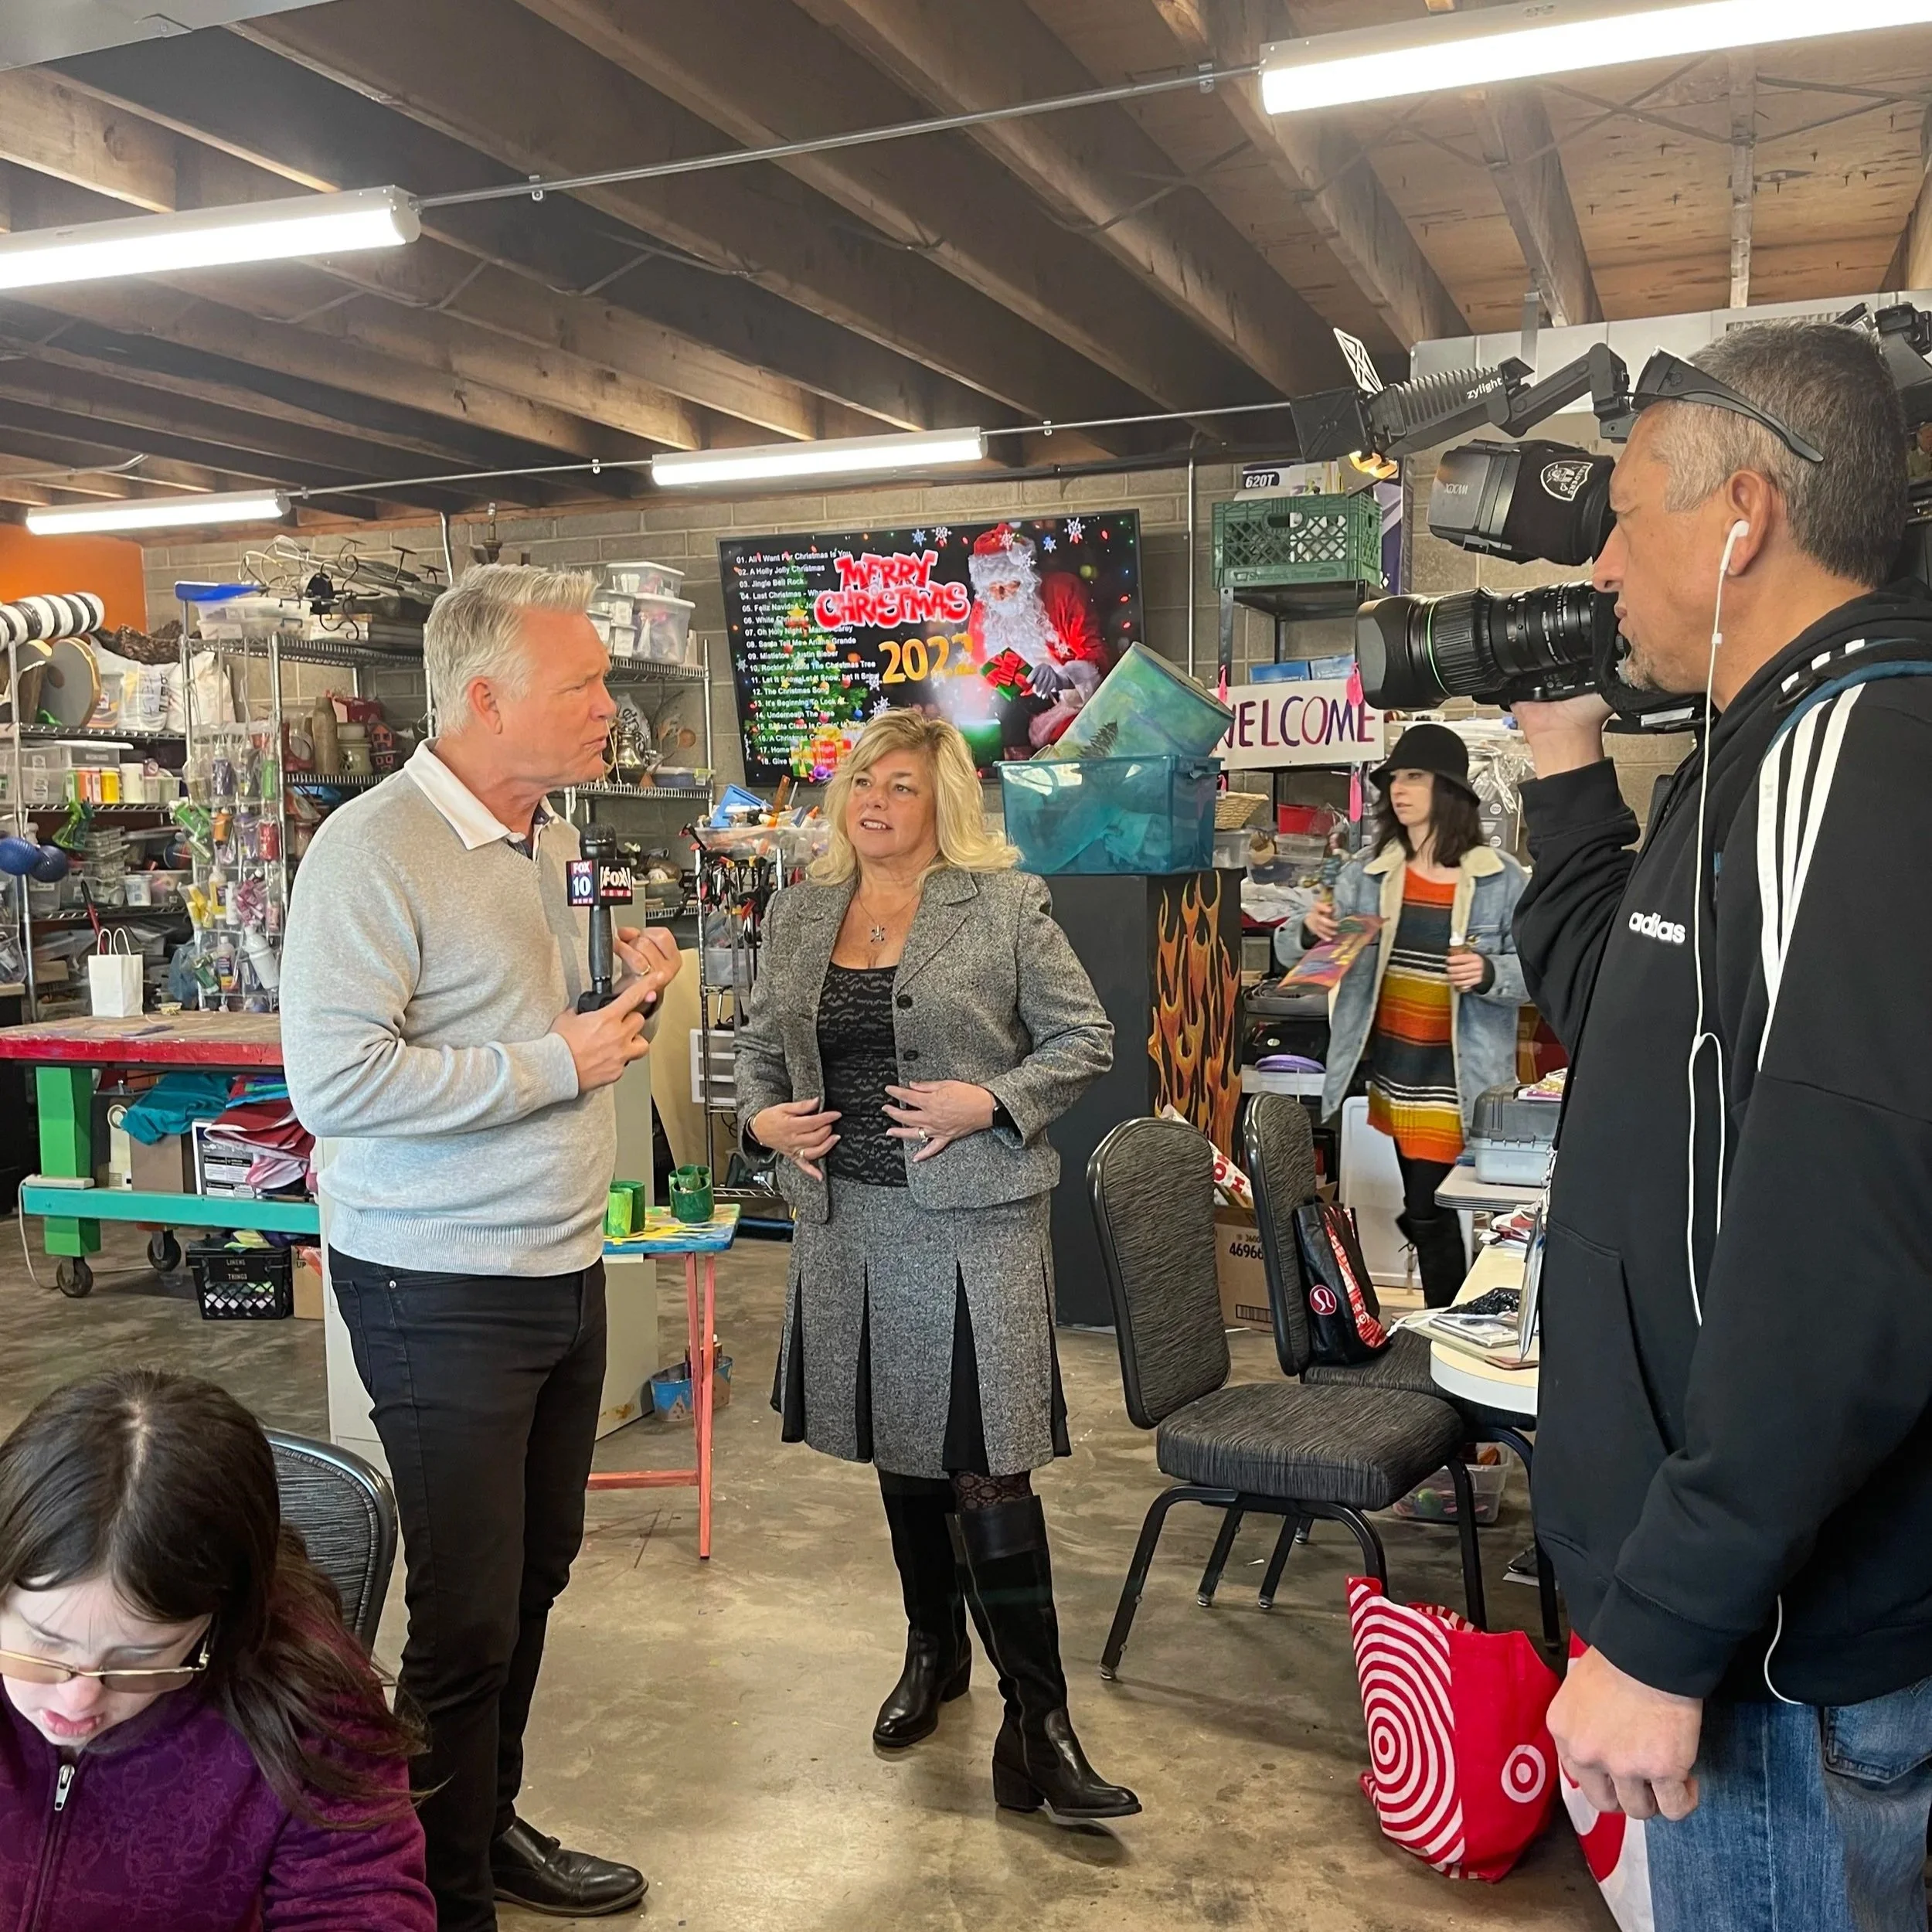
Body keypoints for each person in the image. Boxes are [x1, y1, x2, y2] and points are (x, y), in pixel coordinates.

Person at [1512, 321, 1932, 1930]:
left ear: (1740, 513)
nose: (1603, 560)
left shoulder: (1855, 754)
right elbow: (1632, 1016)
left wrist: (1666, 1624)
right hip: (1739, 1627)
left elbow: (1841, 1247)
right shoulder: (1751, 749)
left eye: (1626, 513)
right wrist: (1562, 771)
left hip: (1771, 1659)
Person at [281, 565, 682, 1928]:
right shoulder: (370, 850)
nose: (609, 709)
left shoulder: (543, 836)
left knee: (531, 1578)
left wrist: (623, 992)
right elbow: (337, 1087)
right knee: (463, 1616)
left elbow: (521, 1024)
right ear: (485, 697)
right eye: (584, 685)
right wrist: (554, 1059)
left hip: (559, 1268)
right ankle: (435, 1891)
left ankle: (481, 1823)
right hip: (433, 1283)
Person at [733, 709, 1136, 1825]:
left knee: (987, 1460)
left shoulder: (1003, 905)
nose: (874, 804)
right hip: (848, 1221)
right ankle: (933, 1653)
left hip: (973, 1226)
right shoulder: (802, 912)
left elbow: (1084, 1040)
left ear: (941, 802)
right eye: (862, 783)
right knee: (903, 1450)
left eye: (900, 786)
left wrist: (992, 1100)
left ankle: (1039, 1722)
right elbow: (761, 1048)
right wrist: (764, 1118)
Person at [0, 1368, 434, 1930]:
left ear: (218, 1617)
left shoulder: (307, 1702)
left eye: (138, 1658)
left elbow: (363, 1904)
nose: (79, 1700)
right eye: (44, 1643)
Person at [1276, 723, 1527, 1307]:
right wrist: (1308, 931)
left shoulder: (1502, 879)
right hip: (1393, 1070)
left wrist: (1491, 973)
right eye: (1394, 779)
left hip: (1458, 1077)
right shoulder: (1368, 873)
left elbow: (1538, 972)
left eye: (1415, 777)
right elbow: (1301, 955)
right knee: (1428, 1205)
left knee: (1429, 1207)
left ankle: (1454, 1319)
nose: (1399, 790)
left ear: (1450, 789)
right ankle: (1457, 1321)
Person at [968, 523, 1107, 753]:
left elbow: (1097, 656)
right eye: (992, 588)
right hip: (1007, 713)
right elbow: (976, 670)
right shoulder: (984, 611)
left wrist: (1063, 678)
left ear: (1026, 576)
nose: (1000, 596)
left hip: (1065, 707)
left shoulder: (1063, 591)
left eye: (1009, 584)